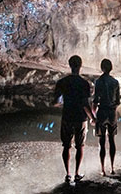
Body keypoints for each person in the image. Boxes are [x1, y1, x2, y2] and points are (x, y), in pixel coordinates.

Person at [53, 55, 95, 184]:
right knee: (80, 146)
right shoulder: (84, 83)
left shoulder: (62, 82)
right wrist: (92, 118)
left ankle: (68, 174)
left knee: (66, 146)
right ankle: (77, 173)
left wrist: (60, 102)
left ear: (69, 65)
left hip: (67, 116)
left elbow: (56, 101)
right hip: (80, 118)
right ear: (80, 65)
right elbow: (85, 103)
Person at [92, 58, 121, 176]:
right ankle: (113, 168)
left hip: (102, 111)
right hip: (112, 112)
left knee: (102, 141)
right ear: (111, 68)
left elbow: (95, 100)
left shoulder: (98, 81)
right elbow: (118, 101)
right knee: (112, 140)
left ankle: (103, 169)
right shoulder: (115, 82)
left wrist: (93, 116)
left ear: (102, 68)